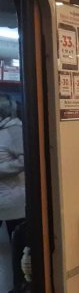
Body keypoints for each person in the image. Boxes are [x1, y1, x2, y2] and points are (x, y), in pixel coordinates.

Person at [0, 93, 25, 241]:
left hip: (13, 202)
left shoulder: (14, 130)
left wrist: (2, 169)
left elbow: (25, 160)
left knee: (17, 243)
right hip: (4, 200)